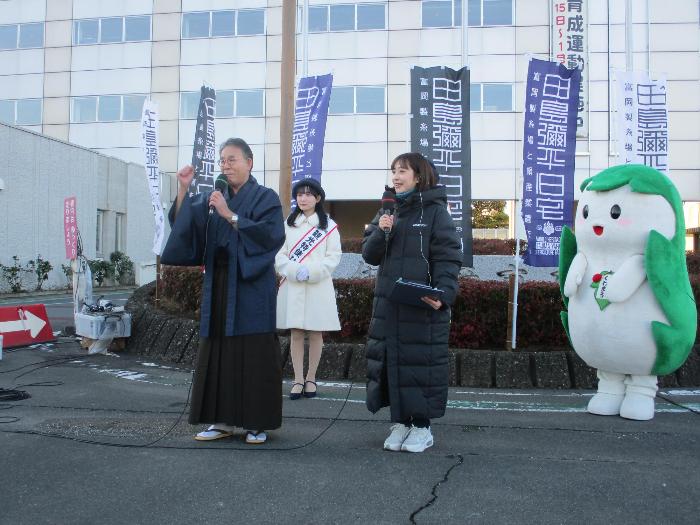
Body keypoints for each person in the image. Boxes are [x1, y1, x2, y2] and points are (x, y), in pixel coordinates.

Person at [161, 137, 285, 445]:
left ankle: (257, 422)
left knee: (253, 354)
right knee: (218, 354)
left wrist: (231, 215)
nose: (226, 165)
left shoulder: (266, 197)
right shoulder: (213, 197)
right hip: (218, 283)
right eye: (222, 161)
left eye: (232, 159)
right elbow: (184, 224)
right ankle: (221, 420)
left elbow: (271, 235)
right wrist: (183, 189)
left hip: (251, 285)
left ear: (250, 162)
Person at [362, 152, 462, 453]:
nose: (396, 176)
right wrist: (382, 229)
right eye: (393, 170)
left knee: (420, 365)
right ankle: (401, 421)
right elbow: (369, 255)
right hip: (389, 305)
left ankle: (422, 426)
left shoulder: (435, 212)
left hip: (422, 304)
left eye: (402, 170)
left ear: (418, 176)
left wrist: (442, 296)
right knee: (393, 364)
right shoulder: (386, 212)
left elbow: (447, 257)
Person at [275, 179, 342, 399]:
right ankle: (297, 379)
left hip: (317, 286)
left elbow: (334, 257)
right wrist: (294, 270)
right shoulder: (288, 224)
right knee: (295, 332)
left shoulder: (328, 226)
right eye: (299, 194)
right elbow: (279, 255)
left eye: (308, 194)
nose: (303, 198)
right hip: (293, 284)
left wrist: (311, 272)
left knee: (315, 332)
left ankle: (311, 378)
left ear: (318, 198)